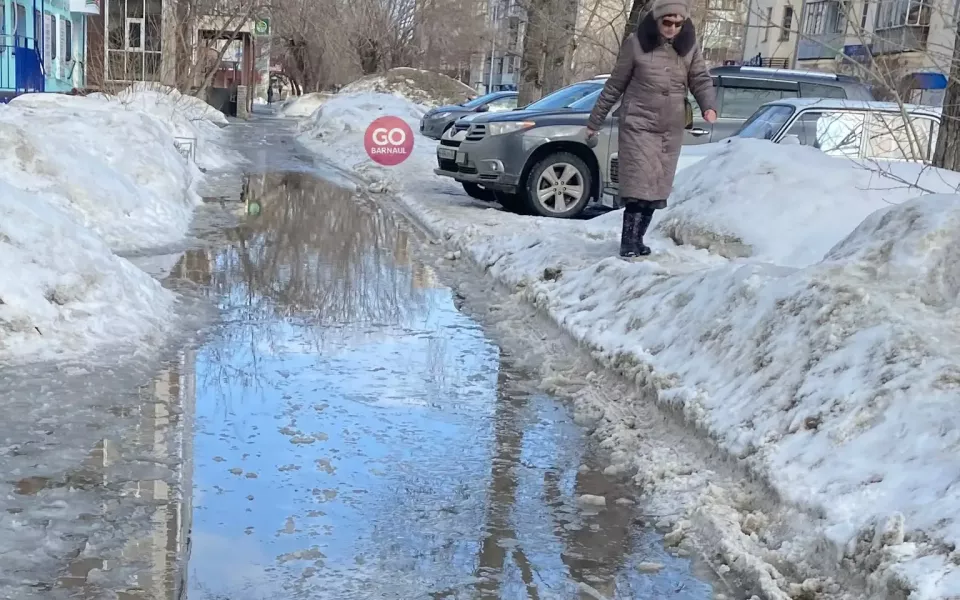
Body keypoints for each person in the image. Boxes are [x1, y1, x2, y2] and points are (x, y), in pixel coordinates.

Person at [586, 0, 717, 258]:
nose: (672, 28)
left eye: (678, 24)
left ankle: (639, 240)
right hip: (638, 125)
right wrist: (594, 122)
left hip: (670, 128)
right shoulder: (636, 43)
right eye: (667, 23)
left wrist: (708, 106)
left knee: (657, 187)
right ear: (657, 20)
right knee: (638, 186)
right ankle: (628, 242)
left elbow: (700, 79)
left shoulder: (689, 46)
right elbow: (614, 85)